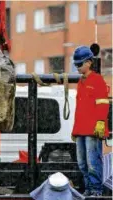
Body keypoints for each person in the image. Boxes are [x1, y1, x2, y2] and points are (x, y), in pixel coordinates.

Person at [71, 46, 110, 196]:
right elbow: (80, 110)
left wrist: (100, 122)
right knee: (82, 163)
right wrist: (75, 130)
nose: (77, 68)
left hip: (93, 130)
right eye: (76, 65)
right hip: (82, 129)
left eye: (79, 64)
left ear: (88, 62)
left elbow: (103, 104)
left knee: (92, 162)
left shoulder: (98, 80)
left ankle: (95, 190)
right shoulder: (81, 82)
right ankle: (88, 189)